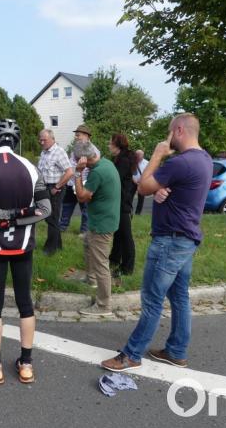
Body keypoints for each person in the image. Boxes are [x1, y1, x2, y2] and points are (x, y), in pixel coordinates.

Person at [101, 113, 213, 372]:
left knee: (152, 299)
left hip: (170, 241)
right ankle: (176, 351)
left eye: (169, 131)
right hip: (186, 239)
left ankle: (132, 354)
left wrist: (158, 154)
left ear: (179, 130)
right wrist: (161, 190)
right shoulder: (204, 159)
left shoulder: (181, 162)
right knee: (179, 297)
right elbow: (170, 189)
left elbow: (142, 187)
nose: (167, 136)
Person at [0, 119, 51, 385]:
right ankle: (26, 364)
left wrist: (4, 217)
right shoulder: (31, 167)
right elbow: (45, 209)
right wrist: (18, 217)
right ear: (16, 141)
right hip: (23, 245)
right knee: (25, 303)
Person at [71, 141, 121, 317]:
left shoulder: (97, 172)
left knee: (101, 264)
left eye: (77, 159)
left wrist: (78, 173)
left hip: (102, 224)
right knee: (87, 243)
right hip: (103, 219)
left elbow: (82, 197)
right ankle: (91, 279)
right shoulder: (106, 162)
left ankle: (104, 305)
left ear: (83, 158)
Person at [36, 129, 73, 255]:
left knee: (51, 217)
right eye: (40, 139)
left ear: (52, 139)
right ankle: (58, 245)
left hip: (55, 188)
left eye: (44, 140)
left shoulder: (59, 152)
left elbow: (69, 172)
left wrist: (57, 187)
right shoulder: (44, 152)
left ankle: (49, 249)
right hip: (45, 187)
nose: (41, 142)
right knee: (50, 217)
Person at [60, 124, 100, 236]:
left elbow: (95, 168)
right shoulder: (75, 149)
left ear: (86, 136)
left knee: (86, 210)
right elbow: (70, 164)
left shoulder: (94, 151)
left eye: (78, 135)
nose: (76, 137)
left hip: (85, 183)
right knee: (67, 206)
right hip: (71, 182)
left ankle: (84, 231)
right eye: (76, 135)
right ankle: (62, 227)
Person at [108, 134, 139, 279]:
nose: (108, 145)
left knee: (126, 235)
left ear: (117, 145)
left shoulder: (123, 160)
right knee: (119, 232)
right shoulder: (122, 158)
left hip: (123, 202)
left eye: (110, 143)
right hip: (121, 200)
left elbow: (115, 179)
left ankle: (127, 268)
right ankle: (114, 259)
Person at [132, 150, 149, 215]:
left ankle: (138, 213)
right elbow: (129, 172)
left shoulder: (147, 163)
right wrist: (133, 180)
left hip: (142, 182)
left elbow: (149, 173)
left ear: (143, 155)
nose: (138, 156)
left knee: (141, 198)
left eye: (140, 155)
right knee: (129, 197)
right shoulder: (132, 161)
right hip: (133, 182)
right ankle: (129, 211)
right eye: (137, 155)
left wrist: (142, 180)